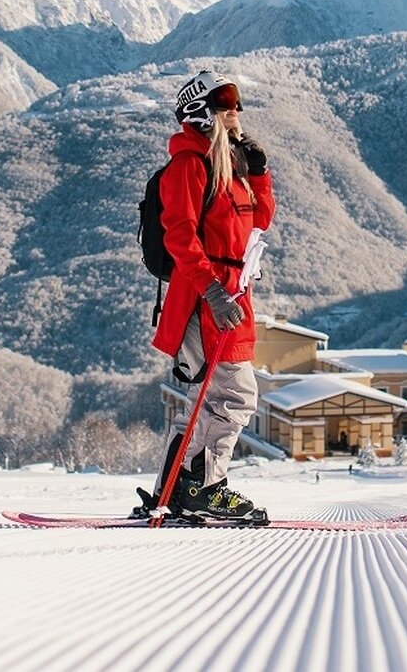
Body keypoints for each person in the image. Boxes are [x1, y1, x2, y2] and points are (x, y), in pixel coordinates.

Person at [139, 69, 275, 521]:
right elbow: (179, 236)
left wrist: (259, 173)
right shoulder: (188, 165)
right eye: (225, 100)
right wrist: (212, 292)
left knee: (214, 399)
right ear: (201, 110)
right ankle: (206, 487)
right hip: (207, 297)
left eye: (237, 100)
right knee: (235, 397)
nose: (235, 109)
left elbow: (259, 221)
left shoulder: (229, 164)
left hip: (232, 293)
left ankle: (175, 489)